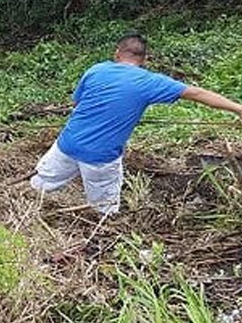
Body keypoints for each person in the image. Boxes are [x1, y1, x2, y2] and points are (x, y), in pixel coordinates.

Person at [30, 33, 242, 215]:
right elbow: (197, 93)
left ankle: (22, 220)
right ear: (144, 59)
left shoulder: (96, 70)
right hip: (101, 158)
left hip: (66, 144)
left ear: (117, 53)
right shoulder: (149, 81)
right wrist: (238, 109)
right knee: (105, 211)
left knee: (36, 189)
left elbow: (77, 103)